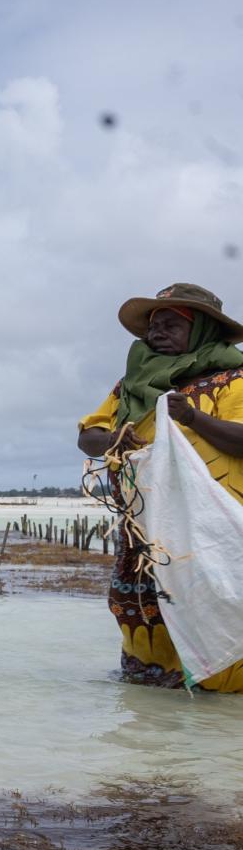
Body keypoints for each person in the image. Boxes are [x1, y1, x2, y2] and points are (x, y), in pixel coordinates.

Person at [76, 282, 243, 692]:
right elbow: (88, 436)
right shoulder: (131, 386)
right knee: (138, 608)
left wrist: (192, 418)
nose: (157, 333)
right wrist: (115, 439)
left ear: (203, 330)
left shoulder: (233, 379)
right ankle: (152, 720)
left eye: (171, 324)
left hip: (217, 527)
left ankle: (218, 705)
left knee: (217, 602)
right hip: (145, 530)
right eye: (153, 326)